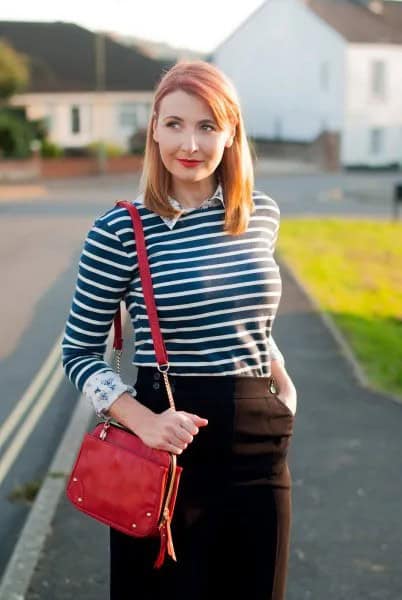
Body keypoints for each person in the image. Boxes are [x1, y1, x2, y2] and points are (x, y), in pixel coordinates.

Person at [61, 59, 297, 600]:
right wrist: (143, 422)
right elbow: (77, 352)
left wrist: (282, 385)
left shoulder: (259, 213)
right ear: (154, 130)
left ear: (231, 133)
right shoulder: (120, 228)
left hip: (261, 447)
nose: (189, 143)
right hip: (164, 447)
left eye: (207, 126)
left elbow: (249, 315)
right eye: (174, 124)